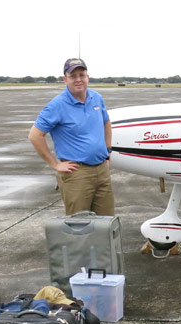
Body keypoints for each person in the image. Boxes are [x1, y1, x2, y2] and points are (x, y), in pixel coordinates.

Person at [28, 58, 114, 215]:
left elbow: (106, 123)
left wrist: (108, 151)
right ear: (65, 80)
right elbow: (35, 135)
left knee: (106, 223)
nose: (78, 79)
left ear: (88, 77)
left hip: (102, 170)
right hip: (76, 174)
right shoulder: (57, 105)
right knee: (79, 226)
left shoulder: (96, 98)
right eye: (73, 76)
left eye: (82, 75)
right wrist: (55, 164)